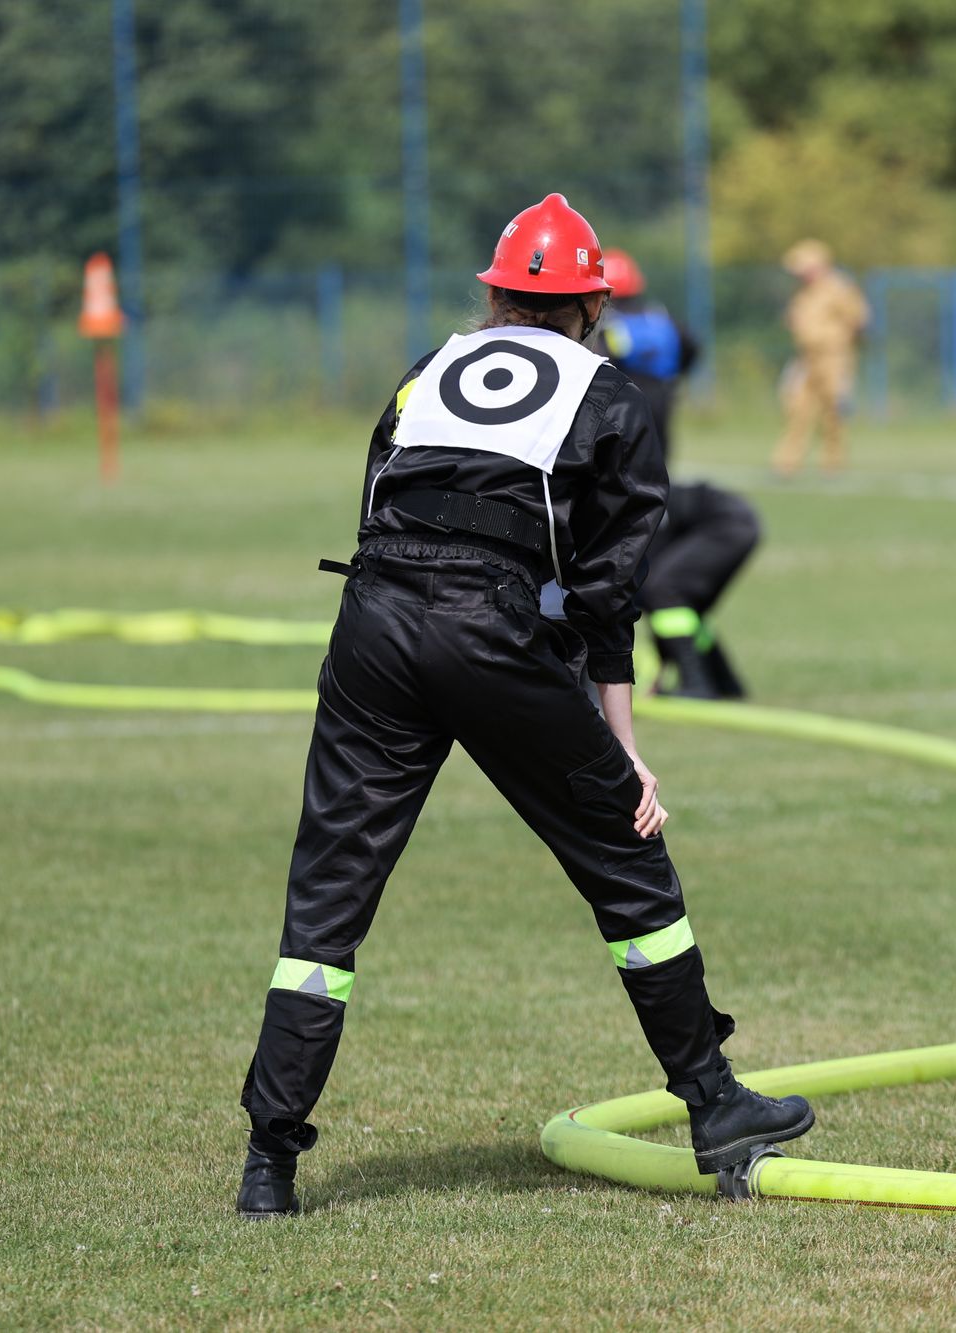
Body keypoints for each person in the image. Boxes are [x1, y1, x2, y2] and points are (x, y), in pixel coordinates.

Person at [235, 194, 813, 1217]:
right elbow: (609, 594)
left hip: (372, 621)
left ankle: (268, 1162)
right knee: (625, 857)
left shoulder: (430, 367)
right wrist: (623, 748)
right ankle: (714, 1102)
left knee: (328, 892)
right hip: (488, 631)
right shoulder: (608, 391)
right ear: (593, 304)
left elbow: (377, 502)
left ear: (495, 296)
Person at [597, 249, 759, 699]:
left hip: (621, 464)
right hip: (658, 461)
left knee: (659, 586)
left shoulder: (606, 333)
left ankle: (696, 680)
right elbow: (692, 351)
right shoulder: (666, 325)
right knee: (669, 587)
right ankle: (716, 679)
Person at [771, 239, 869, 477]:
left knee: (833, 412)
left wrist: (845, 349)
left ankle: (832, 463)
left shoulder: (839, 288)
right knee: (796, 407)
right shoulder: (803, 293)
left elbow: (858, 319)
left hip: (834, 357)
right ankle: (787, 463)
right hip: (806, 357)